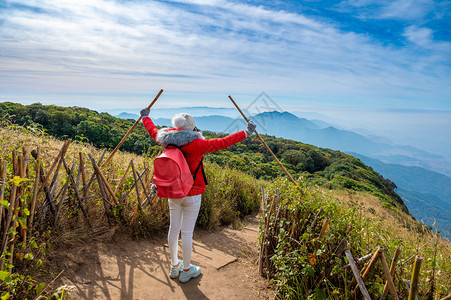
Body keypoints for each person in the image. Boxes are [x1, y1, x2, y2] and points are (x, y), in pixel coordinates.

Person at [140, 108, 256, 283]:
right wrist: (246, 132)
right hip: (192, 193)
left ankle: (174, 266)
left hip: (172, 191)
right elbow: (223, 142)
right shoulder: (198, 145)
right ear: (192, 128)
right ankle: (187, 270)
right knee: (187, 232)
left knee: (173, 228)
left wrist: (145, 117)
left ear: (177, 127)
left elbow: (153, 131)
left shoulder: (166, 139)